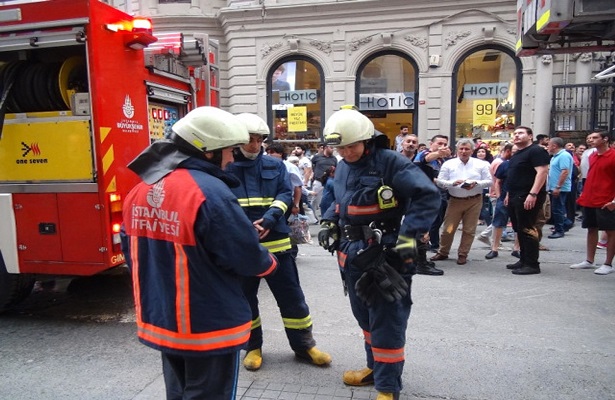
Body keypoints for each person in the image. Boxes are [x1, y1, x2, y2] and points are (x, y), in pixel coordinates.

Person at [121, 106, 279, 400]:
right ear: (208, 152)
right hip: (209, 323)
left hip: (163, 319)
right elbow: (244, 254)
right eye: (229, 150)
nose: (232, 158)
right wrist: (269, 263)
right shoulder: (209, 192)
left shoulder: (140, 189)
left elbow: (130, 252)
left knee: (179, 393)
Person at [318, 106, 440, 400]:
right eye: (341, 148)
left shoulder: (390, 162)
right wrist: (329, 222)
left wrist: (407, 245)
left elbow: (428, 196)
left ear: (367, 139)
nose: (346, 153)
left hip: (385, 253)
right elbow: (338, 199)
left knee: (387, 321)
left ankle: (388, 388)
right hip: (351, 253)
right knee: (366, 319)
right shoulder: (345, 164)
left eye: (351, 146)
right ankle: (375, 369)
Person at [227, 113, 332, 371]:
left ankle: (304, 346)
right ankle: (252, 347)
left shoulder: (275, 166)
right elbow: (222, 202)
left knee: (292, 297)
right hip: (243, 248)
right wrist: (245, 227)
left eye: (259, 139)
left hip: (278, 246)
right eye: (249, 139)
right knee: (245, 300)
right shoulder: (226, 167)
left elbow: (286, 193)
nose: (254, 145)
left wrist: (270, 219)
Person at [430, 139, 492, 265]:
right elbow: (440, 181)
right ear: (457, 150)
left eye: (467, 149)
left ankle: (463, 254)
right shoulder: (449, 164)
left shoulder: (482, 164)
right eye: (461, 149)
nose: (463, 152)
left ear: (472, 150)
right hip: (455, 200)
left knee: (469, 230)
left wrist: (476, 183)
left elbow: (490, 181)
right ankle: (443, 252)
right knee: (448, 228)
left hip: (474, 200)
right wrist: (452, 183)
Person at [504, 126, 550, 275]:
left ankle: (532, 264)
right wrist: (508, 194)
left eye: (521, 133)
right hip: (515, 195)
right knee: (519, 229)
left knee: (527, 229)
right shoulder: (517, 153)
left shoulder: (536, 151)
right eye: (515, 133)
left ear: (530, 136)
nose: (516, 136)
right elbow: (514, 175)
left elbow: (542, 172)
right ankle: (523, 259)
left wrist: (533, 193)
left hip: (528, 195)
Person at [570, 131, 615, 275]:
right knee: (591, 228)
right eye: (589, 138)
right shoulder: (592, 155)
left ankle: (608, 263)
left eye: (595, 137)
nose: (590, 140)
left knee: (610, 232)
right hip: (590, 197)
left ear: (605, 139)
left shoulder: (613, 156)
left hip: (606, 199)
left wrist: (614, 201)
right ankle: (589, 260)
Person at [414, 134, 452, 253]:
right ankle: (421, 253)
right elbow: (427, 158)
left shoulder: (442, 160)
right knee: (425, 223)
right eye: (439, 144)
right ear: (431, 144)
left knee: (437, 220)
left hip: (439, 193)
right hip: (423, 195)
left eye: (444, 144)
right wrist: (440, 153)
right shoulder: (424, 153)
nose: (442, 146)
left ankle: (432, 245)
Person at [484, 143, 514, 259]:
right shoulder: (504, 164)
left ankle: (517, 248)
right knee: (498, 223)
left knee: (518, 224)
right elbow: (497, 181)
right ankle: (494, 248)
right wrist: (499, 196)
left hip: (520, 197)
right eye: (513, 151)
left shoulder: (526, 165)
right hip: (503, 198)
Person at [546, 137, 574, 239]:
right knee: (556, 208)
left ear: (554, 145)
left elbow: (565, 171)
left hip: (560, 187)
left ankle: (560, 229)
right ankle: (565, 223)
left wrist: (558, 186)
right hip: (554, 186)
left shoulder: (564, 155)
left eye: (549, 144)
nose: (547, 147)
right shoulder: (554, 156)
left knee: (557, 209)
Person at [310, 142, 338, 215]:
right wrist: (313, 174)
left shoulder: (334, 158)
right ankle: (313, 217)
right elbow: (311, 166)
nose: (333, 150)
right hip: (319, 181)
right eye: (331, 148)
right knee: (314, 200)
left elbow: (336, 169)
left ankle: (327, 214)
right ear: (325, 148)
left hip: (330, 181)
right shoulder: (317, 157)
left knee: (327, 200)